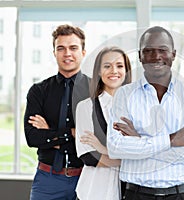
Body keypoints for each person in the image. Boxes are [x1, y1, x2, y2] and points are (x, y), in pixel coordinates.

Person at [107, 26, 184, 200]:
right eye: (149, 51)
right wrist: (172, 140)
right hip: (137, 194)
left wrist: (140, 142)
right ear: (140, 56)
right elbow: (116, 148)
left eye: (162, 50)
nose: (156, 57)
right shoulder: (124, 95)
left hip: (180, 194)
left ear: (173, 54)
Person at [24, 24, 90, 200]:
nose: (67, 53)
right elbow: (33, 137)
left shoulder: (96, 91)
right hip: (48, 180)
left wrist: (51, 135)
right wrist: (73, 133)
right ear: (54, 52)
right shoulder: (38, 91)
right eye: (61, 48)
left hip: (88, 178)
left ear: (83, 52)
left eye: (73, 48)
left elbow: (97, 139)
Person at [75, 46, 132, 200]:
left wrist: (103, 149)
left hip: (131, 192)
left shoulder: (136, 109)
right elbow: (90, 157)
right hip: (95, 192)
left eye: (119, 66)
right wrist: (128, 158)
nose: (114, 70)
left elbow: (146, 153)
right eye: (107, 66)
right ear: (99, 72)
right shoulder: (86, 107)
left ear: (126, 71)